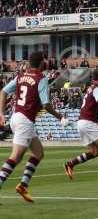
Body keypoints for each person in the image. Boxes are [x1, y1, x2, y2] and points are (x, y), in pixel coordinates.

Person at [0, 52, 68, 203]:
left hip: (17, 117)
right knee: (16, 156)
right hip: (24, 120)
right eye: (44, 61)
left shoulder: (20, 77)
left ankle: (23, 185)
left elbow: (3, 92)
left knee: (38, 153)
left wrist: (1, 114)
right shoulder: (41, 79)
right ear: (41, 63)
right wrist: (60, 117)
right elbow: (46, 105)